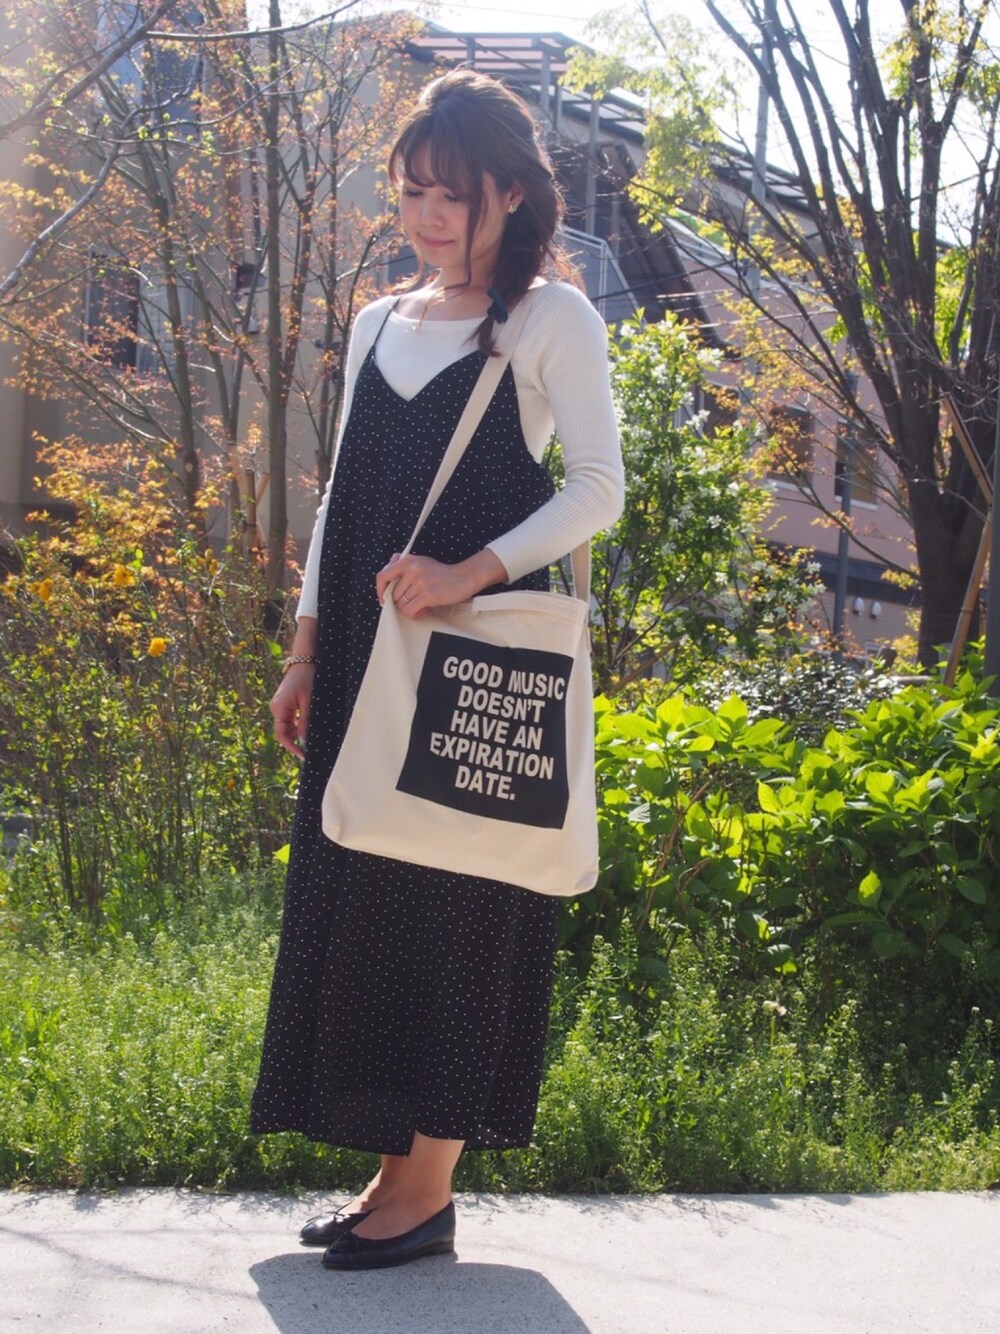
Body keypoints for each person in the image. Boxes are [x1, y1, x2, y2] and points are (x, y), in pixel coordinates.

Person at [250, 67, 624, 1272]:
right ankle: (390, 1176)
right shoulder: (377, 321)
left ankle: (426, 1189)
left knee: (462, 899)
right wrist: (305, 649)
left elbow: (598, 489)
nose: (425, 216)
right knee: (367, 890)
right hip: (365, 650)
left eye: (450, 195)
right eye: (411, 191)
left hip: (474, 655)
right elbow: (340, 502)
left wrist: (469, 568)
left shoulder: (553, 318)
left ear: (510, 193)